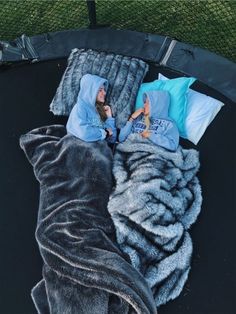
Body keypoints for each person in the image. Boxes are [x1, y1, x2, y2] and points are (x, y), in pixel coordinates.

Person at [66, 73, 117, 143]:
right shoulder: (80, 107)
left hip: (98, 150)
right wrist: (105, 133)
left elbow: (112, 139)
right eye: (100, 90)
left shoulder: (99, 110)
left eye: (104, 90)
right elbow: (83, 133)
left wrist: (109, 118)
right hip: (78, 148)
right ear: (90, 91)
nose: (104, 93)